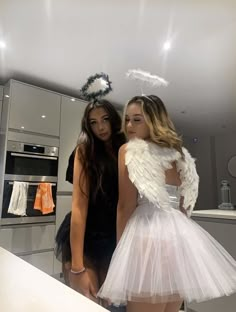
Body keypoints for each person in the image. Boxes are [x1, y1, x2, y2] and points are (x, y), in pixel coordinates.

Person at [98, 95, 236, 312]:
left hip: (145, 237)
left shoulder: (130, 151)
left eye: (137, 119)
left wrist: (120, 255)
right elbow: (183, 206)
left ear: (154, 120)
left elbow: (125, 206)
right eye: (127, 119)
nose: (129, 126)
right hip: (179, 239)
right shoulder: (179, 155)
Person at [58, 99, 126, 309]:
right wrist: (77, 267)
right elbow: (79, 207)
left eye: (105, 119)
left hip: (115, 237)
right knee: (86, 302)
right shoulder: (85, 150)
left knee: (110, 304)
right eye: (94, 122)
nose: (101, 127)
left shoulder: (126, 148)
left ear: (113, 120)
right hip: (85, 236)